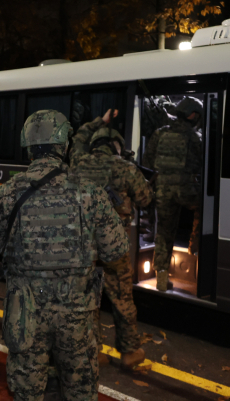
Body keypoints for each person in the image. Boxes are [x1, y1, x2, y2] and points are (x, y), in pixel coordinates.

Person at [0, 110, 129, 401]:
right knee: (81, 400)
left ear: (28, 148)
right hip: (77, 313)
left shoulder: (9, 192)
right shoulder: (89, 193)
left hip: (25, 311)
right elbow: (117, 251)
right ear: (65, 146)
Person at [70, 110, 153, 368]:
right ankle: (129, 351)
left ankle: (91, 350)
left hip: (83, 246)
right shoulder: (125, 168)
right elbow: (146, 199)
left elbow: (77, 139)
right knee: (121, 298)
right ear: (116, 145)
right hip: (114, 246)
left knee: (87, 299)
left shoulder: (78, 163)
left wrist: (100, 121)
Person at [143, 97, 203, 291]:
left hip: (162, 190)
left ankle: (161, 277)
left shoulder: (160, 133)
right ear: (193, 115)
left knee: (164, 231)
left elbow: (148, 162)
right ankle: (194, 247)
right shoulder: (195, 137)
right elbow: (199, 165)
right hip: (185, 189)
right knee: (206, 208)